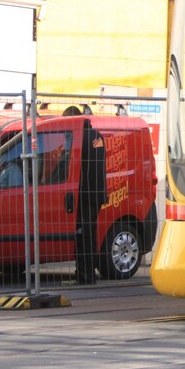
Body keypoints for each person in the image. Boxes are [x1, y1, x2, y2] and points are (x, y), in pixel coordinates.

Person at [74, 117, 107, 284]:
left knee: (83, 236)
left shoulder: (80, 137)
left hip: (85, 194)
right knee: (90, 234)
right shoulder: (97, 135)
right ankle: (89, 272)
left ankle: (85, 276)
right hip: (99, 193)